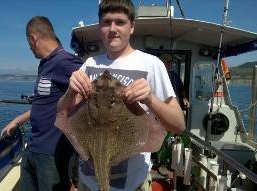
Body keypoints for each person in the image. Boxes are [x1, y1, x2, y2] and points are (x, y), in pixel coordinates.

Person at [56, 0, 185, 190]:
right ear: (100, 27)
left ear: (132, 27)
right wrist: (70, 91)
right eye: (106, 22)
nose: (112, 29)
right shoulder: (90, 63)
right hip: (87, 181)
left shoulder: (151, 64)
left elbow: (179, 125)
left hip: (132, 184)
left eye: (120, 22)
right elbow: (61, 114)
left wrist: (150, 98)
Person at [1, 16, 83, 191]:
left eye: (28, 42)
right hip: (33, 148)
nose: (29, 48)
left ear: (33, 38)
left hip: (53, 155)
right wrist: (18, 120)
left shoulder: (66, 62)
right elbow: (43, 105)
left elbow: (91, 94)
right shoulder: (44, 65)